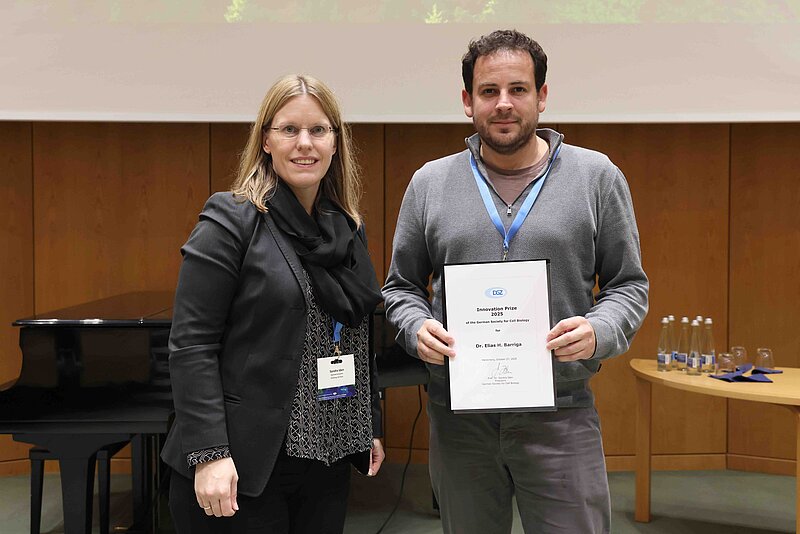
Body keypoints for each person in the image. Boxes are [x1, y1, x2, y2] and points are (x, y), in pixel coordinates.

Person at [383, 29, 649, 533]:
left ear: (542, 96)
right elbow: (400, 288)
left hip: (560, 416)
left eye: (518, 90)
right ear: (468, 102)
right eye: (489, 92)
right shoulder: (430, 184)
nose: (503, 105)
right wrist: (414, 327)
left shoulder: (596, 177)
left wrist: (599, 331)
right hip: (459, 421)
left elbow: (628, 286)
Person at [162, 73, 385, 534]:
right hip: (244, 463)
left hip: (329, 453)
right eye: (289, 130)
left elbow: (359, 334)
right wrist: (210, 453)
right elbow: (191, 345)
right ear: (266, 140)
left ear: (336, 141)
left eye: (318, 130)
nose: (305, 143)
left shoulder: (346, 227)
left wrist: (370, 423)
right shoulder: (232, 219)